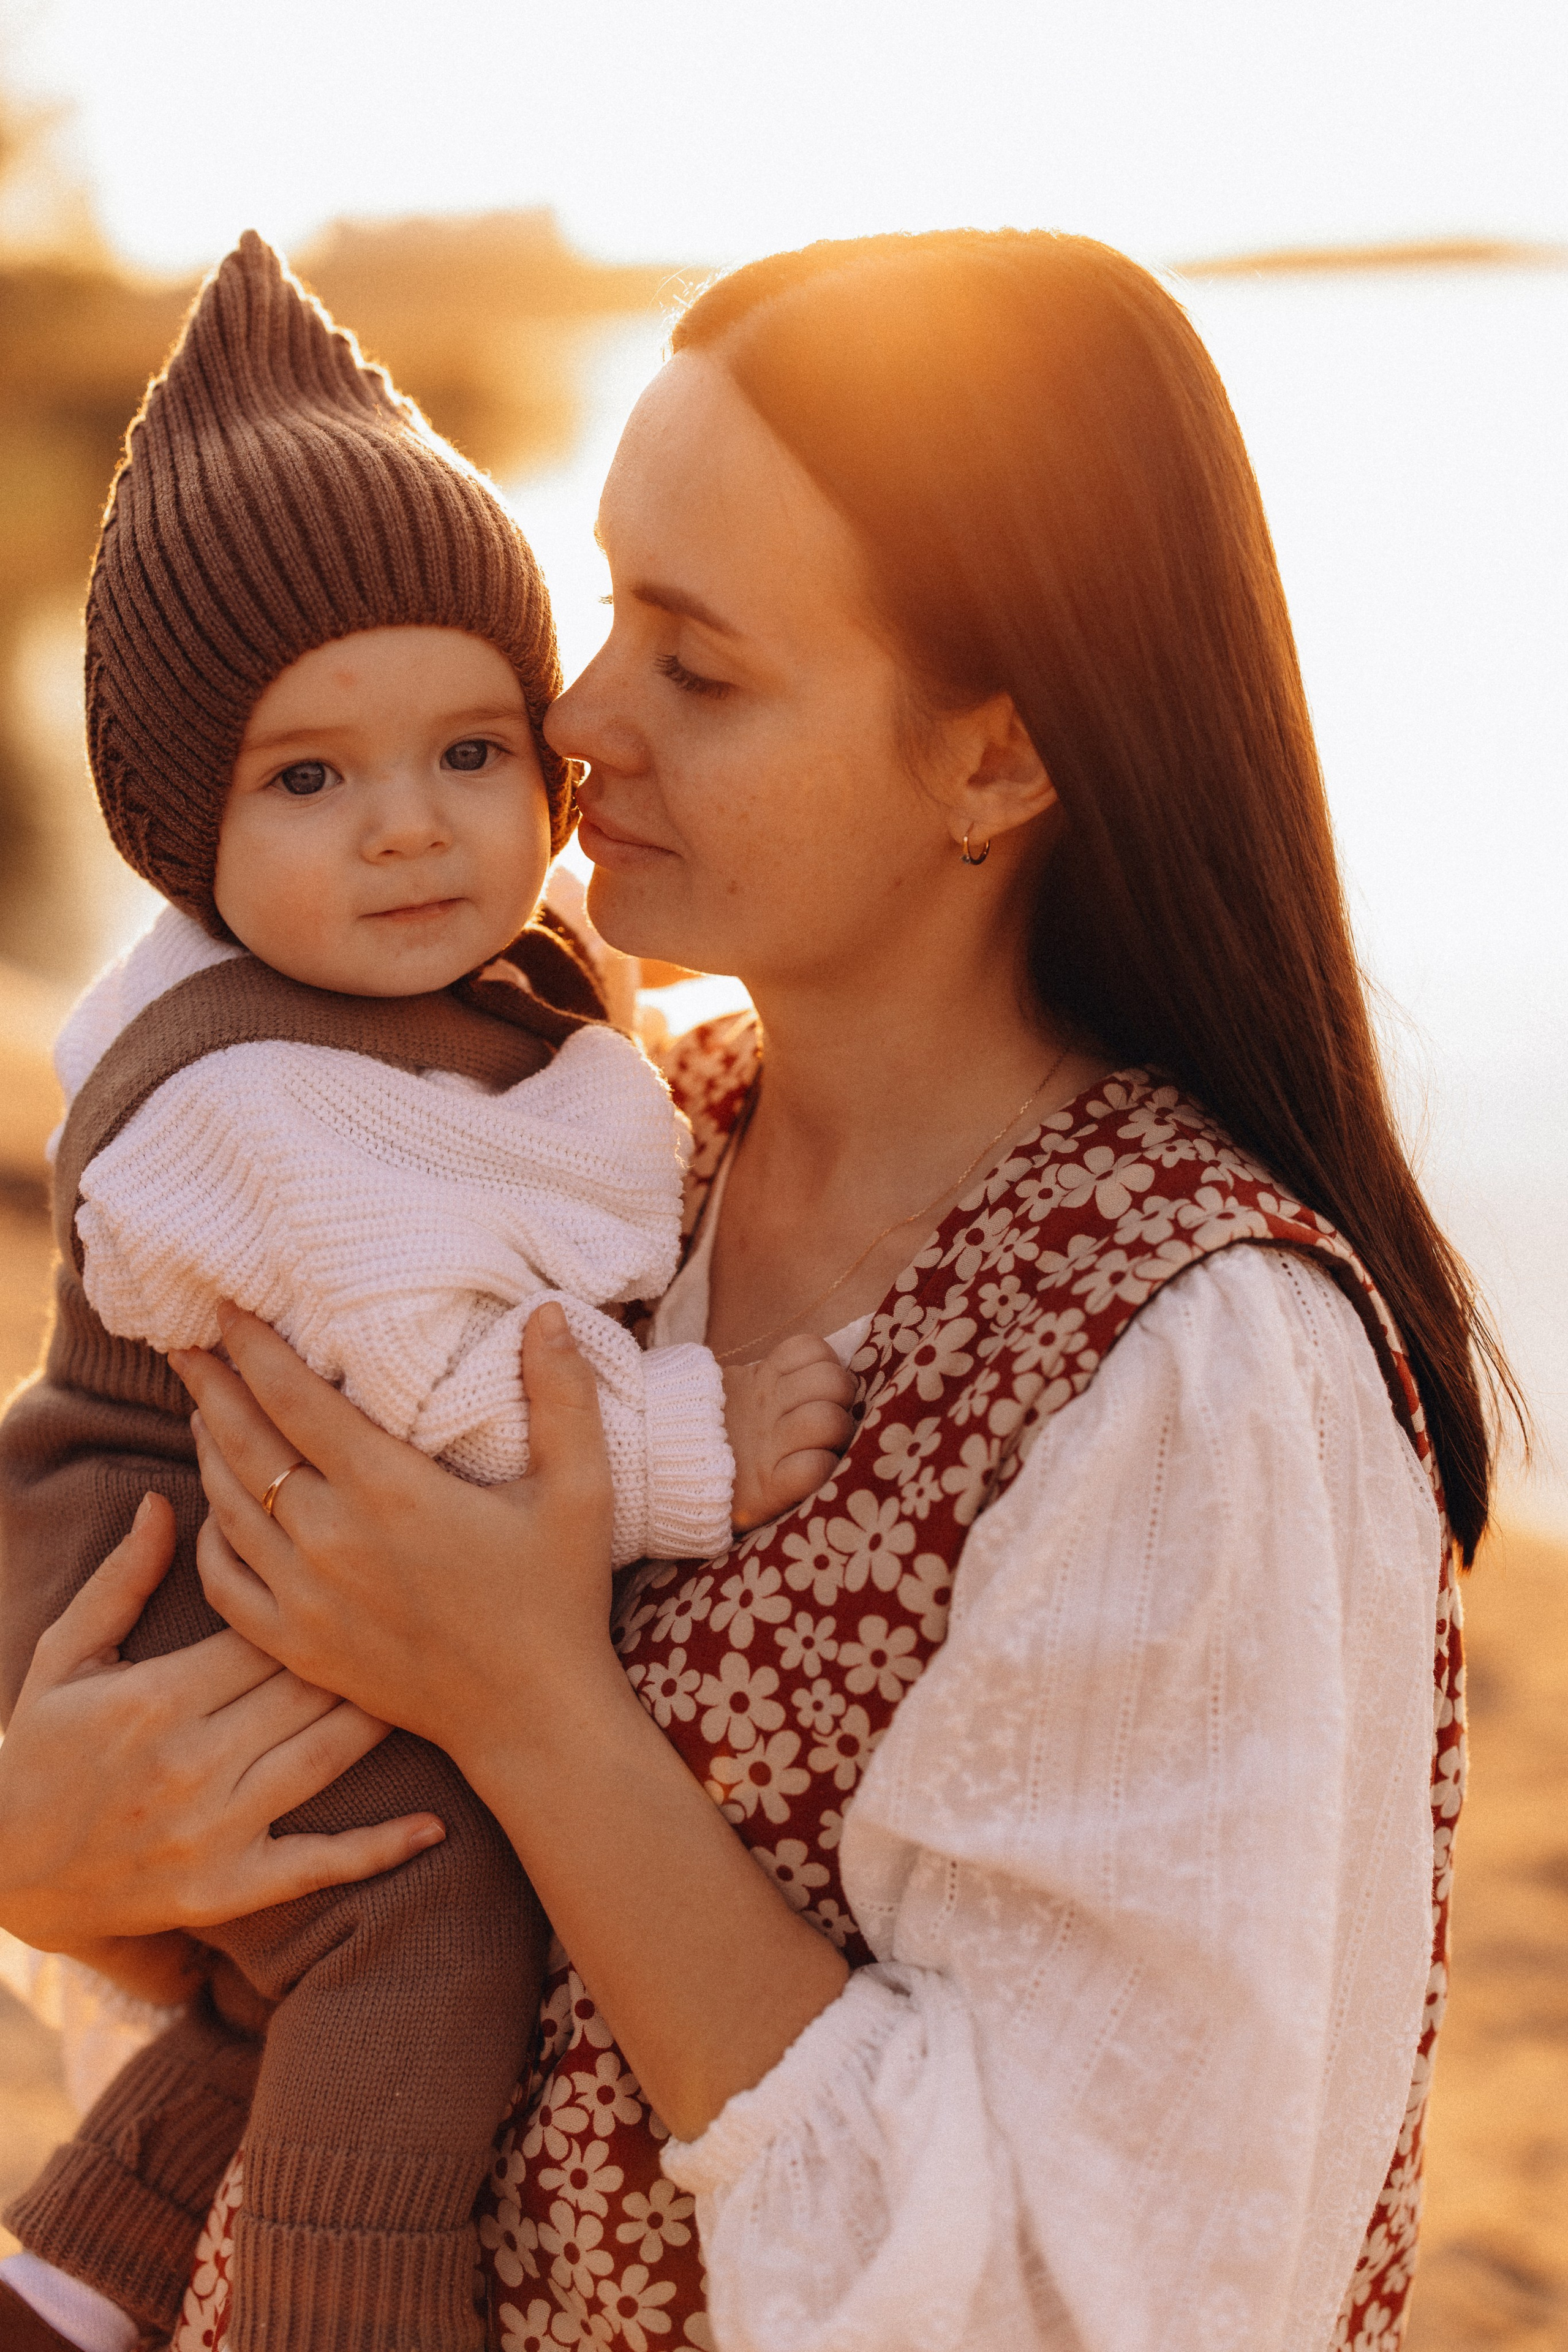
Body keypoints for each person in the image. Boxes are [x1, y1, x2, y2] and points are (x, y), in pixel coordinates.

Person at [0, 228, 1507, 2352]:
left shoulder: (1190, 1365)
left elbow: (1114, 2295)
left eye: (698, 665)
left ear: (996, 760)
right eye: (605, 601)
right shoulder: (586, 1144)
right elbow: (271, 1889)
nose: (579, 717)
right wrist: (59, 1854)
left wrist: (536, 1706)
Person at [0, 234, 850, 2352]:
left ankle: (66, 2267)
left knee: (306, 1936)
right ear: (185, 833)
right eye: (310, 779)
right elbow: (446, 1390)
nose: (408, 833)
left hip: (241, 1537)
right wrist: (682, 1455)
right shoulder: (250, 1097)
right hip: (146, 1555)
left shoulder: (430, 996)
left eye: (472, 752)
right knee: (432, 1921)